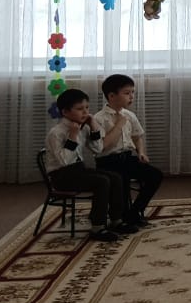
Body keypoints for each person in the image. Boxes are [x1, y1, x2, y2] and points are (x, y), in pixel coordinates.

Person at [44, 88, 133, 242]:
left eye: (86, 107)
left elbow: (97, 149)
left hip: (78, 170)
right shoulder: (56, 133)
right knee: (101, 182)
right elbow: (65, 161)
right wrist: (72, 136)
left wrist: (93, 127)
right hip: (62, 176)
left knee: (115, 177)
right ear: (65, 112)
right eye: (80, 109)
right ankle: (97, 227)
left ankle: (116, 220)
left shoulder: (83, 127)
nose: (85, 112)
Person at [93, 74, 162, 227]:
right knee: (121, 183)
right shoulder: (99, 119)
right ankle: (120, 217)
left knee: (155, 175)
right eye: (126, 93)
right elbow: (102, 146)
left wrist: (141, 152)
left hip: (127, 158)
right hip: (108, 161)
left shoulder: (129, 115)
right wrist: (118, 125)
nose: (131, 96)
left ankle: (135, 211)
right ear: (112, 96)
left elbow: (137, 136)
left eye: (132, 92)